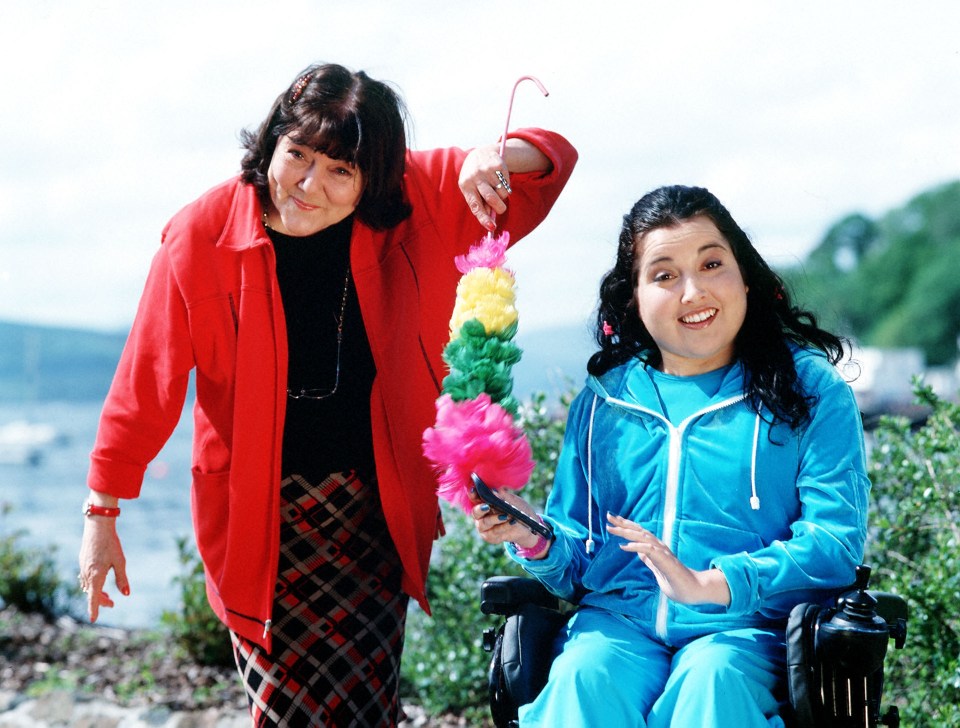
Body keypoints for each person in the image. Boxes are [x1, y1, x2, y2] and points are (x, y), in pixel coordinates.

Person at [77, 62, 577, 727]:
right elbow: (146, 381)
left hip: (373, 510)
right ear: (272, 142)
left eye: (340, 171)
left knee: (366, 709)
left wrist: (493, 156)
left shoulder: (412, 199)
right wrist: (101, 514)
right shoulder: (200, 238)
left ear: (372, 177)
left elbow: (551, 161)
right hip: (258, 520)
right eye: (298, 156)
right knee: (284, 712)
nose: (309, 185)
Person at [472, 185, 869, 727]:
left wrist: (714, 583)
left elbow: (834, 543)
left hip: (742, 632)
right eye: (664, 275)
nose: (693, 292)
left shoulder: (809, 389)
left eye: (711, 263)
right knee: (583, 677)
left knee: (713, 682)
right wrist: (534, 537)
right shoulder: (603, 402)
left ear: (745, 275)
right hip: (618, 627)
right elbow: (581, 565)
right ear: (632, 295)